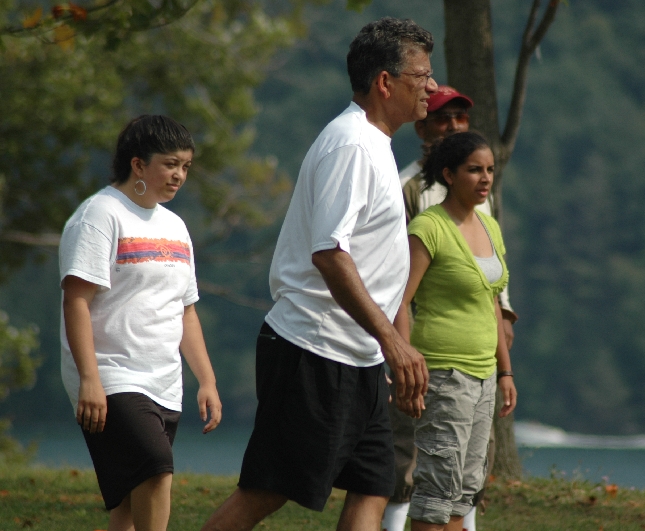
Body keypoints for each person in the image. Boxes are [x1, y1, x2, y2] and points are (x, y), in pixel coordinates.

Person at [201, 17, 436, 531]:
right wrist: (394, 344)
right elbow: (329, 253)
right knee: (266, 491)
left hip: (358, 355)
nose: (432, 86)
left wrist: (388, 348)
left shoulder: (375, 144)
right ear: (385, 82)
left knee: (374, 485)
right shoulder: (352, 145)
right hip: (314, 349)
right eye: (421, 75)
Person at [59, 115, 223, 531]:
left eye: (185, 166)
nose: (179, 175)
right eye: (170, 164)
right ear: (137, 164)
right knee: (155, 467)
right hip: (112, 375)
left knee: (129, 506)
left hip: (164, 380)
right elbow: (76, 299)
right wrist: (89, 379)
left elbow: (185, 309)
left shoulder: (175, 226)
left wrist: (206, 380)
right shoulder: (100, 216)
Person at [382, 87, 518, 531]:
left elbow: (492, 300)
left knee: (465, 490)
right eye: (474, 170)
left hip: (483, 374)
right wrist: (404, 361)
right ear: (449, 174)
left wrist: (505, 370)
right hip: (442, 371)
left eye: (489, 170)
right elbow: (399, 298)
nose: (485, 178)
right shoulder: (426, 222)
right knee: (435, 490)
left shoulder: (490, 224)